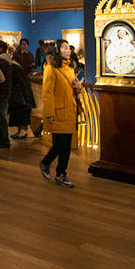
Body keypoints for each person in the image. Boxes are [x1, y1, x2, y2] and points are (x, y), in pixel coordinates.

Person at [39, 39, 82, 188]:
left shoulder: (70, 68)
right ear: (57, 51)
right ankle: (46, 163)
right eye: (64, 48)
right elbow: (48, 92)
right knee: (60, 145)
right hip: (57, 113)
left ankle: (61, 174)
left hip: (69, 111)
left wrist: (78, 87)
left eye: (68, 48)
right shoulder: (51, 69)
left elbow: (72, 90)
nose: (68, 50)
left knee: (66, 146)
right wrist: (49, 113)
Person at [8, 45, 37, 139]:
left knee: (20, 113)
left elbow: (19, 81)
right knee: (20, 113)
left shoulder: (14, 66)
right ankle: (21, 131)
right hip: (21, 94)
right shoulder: (15, 66)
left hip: (20, 96)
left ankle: (22, 131)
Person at [0, 40, 13, 148]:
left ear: (0, 49)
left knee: (0, 117)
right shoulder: (4, 60)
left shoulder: (1, 61)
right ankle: (2, 139)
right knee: (0, 117)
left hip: (0, 93)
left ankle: (4, 140)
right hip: (2, 93)